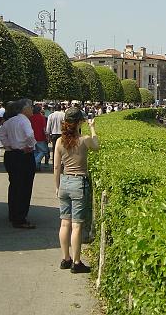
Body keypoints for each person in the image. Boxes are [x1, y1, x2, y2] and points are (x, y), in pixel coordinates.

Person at [54, 107, 99, 273]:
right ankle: (77, 262)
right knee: (77, 225)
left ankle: (65, 258)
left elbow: (57, 166)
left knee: (64, 223)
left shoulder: (59, 141)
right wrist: (92, 127)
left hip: (65, 181)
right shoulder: (84, 140)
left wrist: (57, 186)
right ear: (80, 121)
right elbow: (97, 146)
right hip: (79, 182)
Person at [0, 99, 37, 229]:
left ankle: (13, 213)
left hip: (11, 154)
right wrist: (30, 146)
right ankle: (20, 218)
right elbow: (30, 135)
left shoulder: (11, 121)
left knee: (14, 185)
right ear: (24, 109)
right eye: (30, 107)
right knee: (24, 187)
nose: (32, 109)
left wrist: (8, 145)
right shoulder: (24, 120)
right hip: (23, 156)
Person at [30, 104, 48, 171]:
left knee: (36, 152)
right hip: (40, 137)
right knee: (44, 151)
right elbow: (44, 128)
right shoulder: (42, 117)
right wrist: (46, 136)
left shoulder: (30, 117)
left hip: (32, 137)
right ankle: (35, 163)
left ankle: (37, 167)